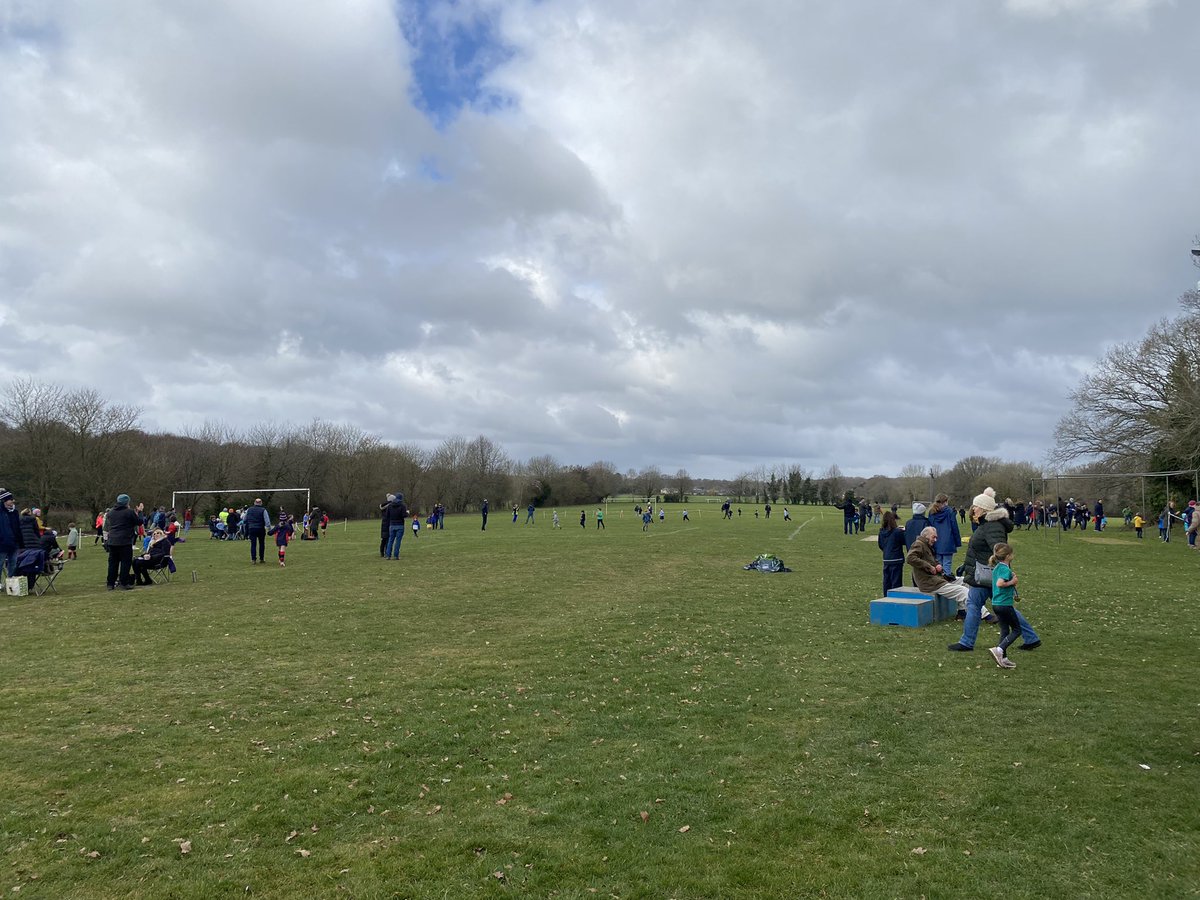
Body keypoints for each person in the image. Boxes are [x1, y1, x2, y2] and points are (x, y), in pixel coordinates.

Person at [948, 489, 1039, 652]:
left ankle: (967, 642)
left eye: (975, 506)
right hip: (983, 574)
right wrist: (966, 565)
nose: (973, 509)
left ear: (983, 509)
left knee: (979, 605)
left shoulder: (992, 526)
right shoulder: (987, 524)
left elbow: (999, 551)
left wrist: (997, 572)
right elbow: (980, 550)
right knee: (990, 606)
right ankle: (1031, 638)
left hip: (987, 576)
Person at [905, 526, 971, 616]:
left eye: (936, 537)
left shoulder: (927, 545)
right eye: (933, 537)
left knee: (966, 581)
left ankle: (962, 611)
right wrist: (929, 567)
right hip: (929, 583)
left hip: (937, 579)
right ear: (926, 536)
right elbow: (910, 558)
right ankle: (985, 615)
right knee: (962, 591)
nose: (935, 540)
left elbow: (930, 560)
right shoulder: (918, 544)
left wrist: (937, 565)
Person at [988, 542, 1026, 669]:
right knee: (1017, 629)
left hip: (996, 604)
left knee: (1005, 630)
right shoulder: (1004, 569)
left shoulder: (997, 567)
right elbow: (1000, 584)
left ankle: (1003, 658)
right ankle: (999, 649)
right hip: (1005, 604)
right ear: (1008, 556)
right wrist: (1012, 582)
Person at [103, 493, 139, 591]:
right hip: (125, 540)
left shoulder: (110, 512)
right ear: (127, 502)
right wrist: (138, 511)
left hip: (112, 540)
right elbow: (138, 522)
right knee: (125, 562)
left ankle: (110, 583)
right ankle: (124, 582)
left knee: (112, 563)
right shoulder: (129, 512)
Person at [927, 493, 961, 578]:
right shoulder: (950, 512)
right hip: (948, 541)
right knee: (947, 564)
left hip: (936, 541)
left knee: (938, 564)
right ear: (945, 502)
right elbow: (954, 527)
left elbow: (929, 528)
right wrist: (957, 542)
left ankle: (939, 581)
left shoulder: (931, 513)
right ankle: (946, 580)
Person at [877, 510, 906, 595]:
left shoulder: (881, 532)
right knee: (896, 582)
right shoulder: (897, 532)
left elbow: (880, 545)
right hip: (897, 559)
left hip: (886, 559)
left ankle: (886, 597)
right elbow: (903, 541)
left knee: (887, 581)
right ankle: (896, 598)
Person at [0, 489, 25, 583]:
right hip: (2, 543)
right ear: (4, 501)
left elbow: (18, 528)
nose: (12, 501)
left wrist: (20, 542)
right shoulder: (1, 512)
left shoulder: (15, 512)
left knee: (13, 564)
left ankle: (10, 581)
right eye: (10, 499)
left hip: (14, 543)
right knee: (0, 564)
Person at [243, 498, 271, 565]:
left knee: (253, 544)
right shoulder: (263, 510)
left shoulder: (249, 510)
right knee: (261, 544)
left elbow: (244, 519)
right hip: (260, 528)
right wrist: (269, 529)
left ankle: (253, 559)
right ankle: (261, 558)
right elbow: (267, 521)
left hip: (251, 528)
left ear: (254, 503)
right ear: (261, 503)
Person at [383, 492, 408, 560]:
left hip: (392, 525)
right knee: (398, 541)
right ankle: (396, 555)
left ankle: (388, 555)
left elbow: (387, 515)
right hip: (400, 525)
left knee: (390, 540)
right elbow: (404, 515)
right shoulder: (402, 505)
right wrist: (407, 513)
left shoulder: (390, 505)